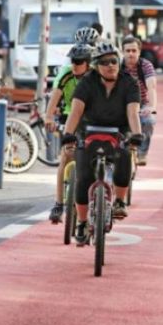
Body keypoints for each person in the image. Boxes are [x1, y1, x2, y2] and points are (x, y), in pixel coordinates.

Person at [60, 42, 143, 245]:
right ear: (96, 66)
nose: (111, 65)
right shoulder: (87, 82)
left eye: (114, 61)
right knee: (83, 177)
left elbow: (132, 112)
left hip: (118, 130)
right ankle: (81, 222)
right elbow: (76, 111)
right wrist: (68, 134)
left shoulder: (129, 83)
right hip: (89, 130)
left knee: (124, 156)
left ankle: (120, 201)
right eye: (105, 62)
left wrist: (136, 134)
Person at [45, 42, 93, 223]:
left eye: (79, 62)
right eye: (73, 61)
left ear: (88, 63)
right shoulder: (66, 74)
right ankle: (58, 203)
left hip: (90, 118)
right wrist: (48, 117)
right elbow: (55, 96)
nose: (75, 65)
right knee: (65, 157)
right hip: (68, 118)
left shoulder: (95, 76)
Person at [121, 35, 157, 167]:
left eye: (134, 51)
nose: (131, 54)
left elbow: (151, 86)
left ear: (139, 52)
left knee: (149, 121)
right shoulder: (117, 65)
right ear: (122, 52)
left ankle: (142, 153)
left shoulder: (146, 65)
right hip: (121, 103)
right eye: (128, 51)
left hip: (142, 104)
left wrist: (151, 107)